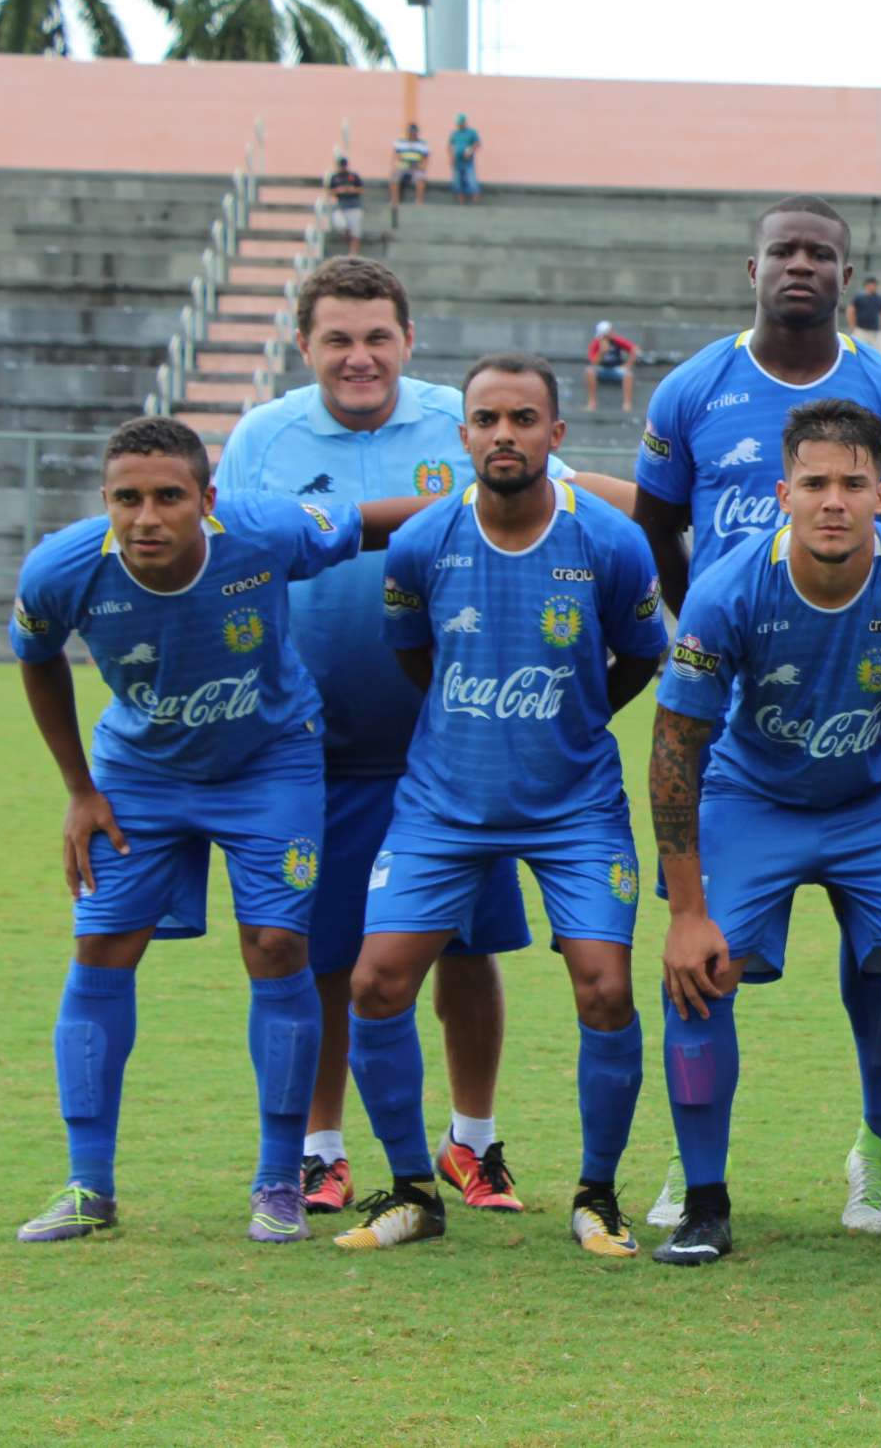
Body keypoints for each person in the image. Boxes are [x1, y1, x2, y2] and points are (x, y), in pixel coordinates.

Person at [7, 416, 431, 1244]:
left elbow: (372, 522)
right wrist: (77, 789)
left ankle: (278, 1180)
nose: (147, 517)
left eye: (169, 496)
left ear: (208, 499)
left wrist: (498, 504)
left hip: (270, 761)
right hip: (139, 775)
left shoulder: (265, 528)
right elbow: (35, 655)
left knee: (278, 947)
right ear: (105, 500)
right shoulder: (62, 568)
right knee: (99, 947)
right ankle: (88, 1184)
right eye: (127, 498)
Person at [219, 258, 568, 1220]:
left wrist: (676, 504)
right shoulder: (262, 437)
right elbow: (227, 554)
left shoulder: (463, 422)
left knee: (466, 948)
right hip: (308, 748)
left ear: (408, 340)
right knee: (323, 953)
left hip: (451, 747)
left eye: (378, 337)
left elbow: (565, 499)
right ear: (305, 347)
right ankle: (321, 1151)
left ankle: (474, 1142)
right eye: (338, 339)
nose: (360, 357)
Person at [630, 193, 881, 1236]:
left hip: (865, 734)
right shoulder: (692, 388)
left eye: (820, 253)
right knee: (702, 965)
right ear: (750, 266)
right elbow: (657, 525)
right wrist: (723, 644)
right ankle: (693, 1174)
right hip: (744, 731)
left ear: (847, 273)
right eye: (782, 251)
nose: (800, 266)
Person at [336, 355, 669, 1257]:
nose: (504, 435)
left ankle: (597, 1193)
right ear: (464, 437)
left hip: (574, 805)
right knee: (375, 982)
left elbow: (642, 655)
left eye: (524, 419)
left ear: (556, 437)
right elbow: (415, 655)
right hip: (443, 802)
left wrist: (576, 717)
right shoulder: (421, 544)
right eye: (487, 419)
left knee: (605, 990)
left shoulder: (609, 541)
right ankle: (410, 1187)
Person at [645, 400, 881, 1271]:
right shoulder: (726, 589)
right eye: (814, 483)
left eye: (851, 483)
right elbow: (676, 748)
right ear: (782, 493)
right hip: (755, 791)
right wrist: (687, 913)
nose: (833, 500)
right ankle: (705, 1200)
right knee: (700, 972)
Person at [587, 320, 639, 414]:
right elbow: (593, 362)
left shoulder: (616, 340)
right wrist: (601, 352)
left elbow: (634, 349)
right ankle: (592, 402)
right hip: (601, 369)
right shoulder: (596, 343)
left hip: (616, 369)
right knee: (590, 371)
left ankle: (627, 404)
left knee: (628, 375)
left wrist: (628, 365)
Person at [324, 157, 365, 256]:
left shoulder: (354, 176)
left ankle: (353, 252)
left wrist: (351, 189)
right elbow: (329, 191)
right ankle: (349, 244)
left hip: (354, 205)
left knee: (356, 231)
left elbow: (361, 189)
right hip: (341, 205)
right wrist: (339, 190)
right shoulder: (335, 177)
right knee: (341, 225)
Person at [390, 124, 430, 210]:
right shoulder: (400, 142)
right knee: (394, 177)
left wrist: (423, 167)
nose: (412, 134)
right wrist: (395, 166)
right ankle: (395, 200)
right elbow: (396, 155)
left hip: (416, 167)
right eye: (410, 132)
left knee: (421, 179)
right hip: (403, 166)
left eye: (414, 133)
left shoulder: (422, 144)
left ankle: (419, 201)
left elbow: (425, 158)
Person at [848, 275, 881, 356]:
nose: (876, 287)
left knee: (878, 353)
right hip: (861, 330)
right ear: (868, 285)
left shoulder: (879, 298)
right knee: (858, 352)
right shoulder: (859, 297)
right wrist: (853, 327)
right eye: (874, 284)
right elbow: (850, 311)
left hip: (875, 331)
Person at [448, 114, 481, 205]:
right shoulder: (455, 133)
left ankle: (475, 201)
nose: (459, 125)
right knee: (458, 181)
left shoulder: (471, 132)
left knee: (471, 180)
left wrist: (470, 150)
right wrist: (451, 158)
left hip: (468, 161)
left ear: (464, 123)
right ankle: (461, 202)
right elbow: (450, 146)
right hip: (457, 161)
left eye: (460, 123)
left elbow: (477, 143)